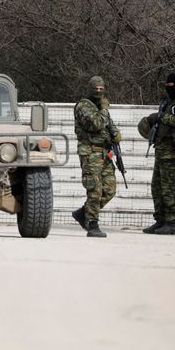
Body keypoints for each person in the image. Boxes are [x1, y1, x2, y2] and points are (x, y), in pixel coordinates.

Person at [138, 72, 175, 235]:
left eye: (171, 86)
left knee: (170, 188)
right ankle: (160, 220)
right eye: (167, 86)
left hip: (173, 152)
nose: (169, 89)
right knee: (157, 187)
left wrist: (162, 117)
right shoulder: (168, 101)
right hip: (161, 151)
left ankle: (171, 223)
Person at [71, 76, 121, 238]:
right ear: (90, 88)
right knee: (95, 190)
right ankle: (92, 224)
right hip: (90, 152)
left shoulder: (101, 107)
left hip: (105, 153)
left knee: (109, 190)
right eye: (96, 89)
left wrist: (116, 134)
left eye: (101, 89)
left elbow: (110, 126)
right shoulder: (83, 106)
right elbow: (96, 124)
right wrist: (104, 110)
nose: (98, 92)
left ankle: (83, 213)